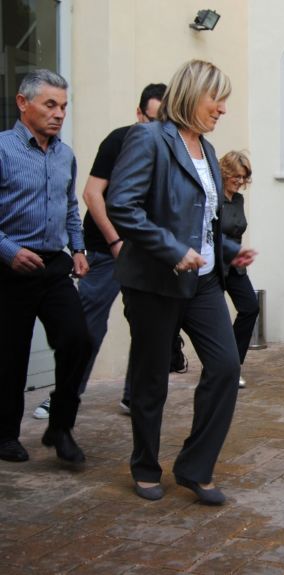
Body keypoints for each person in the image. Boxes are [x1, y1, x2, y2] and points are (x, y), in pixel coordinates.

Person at [106, 60, 256, 504]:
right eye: (218, 99)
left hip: (205, 280)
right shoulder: (149, 138)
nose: (223, 109)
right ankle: (145, 465)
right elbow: (122, 206)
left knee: (227, 367)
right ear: (193, 94)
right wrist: (173, 250)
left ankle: (194, 466)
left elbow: (205, 220)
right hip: (155, 281)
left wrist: (229, 252)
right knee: (152, 378)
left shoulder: (207, 149)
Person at [30, 83, 167, 420]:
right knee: (88, 325)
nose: (159, 129)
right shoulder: (119, 140)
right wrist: (115, 241)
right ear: (138, 114)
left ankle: (133, 397)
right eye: (152, 120)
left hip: (145, 250)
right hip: (105, 247)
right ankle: (64, 397)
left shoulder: (171, 147)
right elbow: (93, 195)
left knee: (145, 324)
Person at [0, 69, 90, 464]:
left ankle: (60, 425)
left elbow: (70, 207)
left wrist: (80, 248)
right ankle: (5, 435)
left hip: (54, 266)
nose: (59, 114)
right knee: (10, 356)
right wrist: (8, 252)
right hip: (10, 268)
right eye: (50, 104)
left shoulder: (65, 155)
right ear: (23, 103)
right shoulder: (2, 149)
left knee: (78, 339)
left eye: (64, 106)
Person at [218, 150, 260, 388]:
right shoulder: (213, 198)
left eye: (243, 177)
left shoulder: (238, 200)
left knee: (250, 307)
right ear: (225, 172)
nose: (240, 181)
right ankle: (221, 367)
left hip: (235, 266)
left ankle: (233, 365)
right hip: (215, 267)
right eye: (236, 176)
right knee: (218, 319)